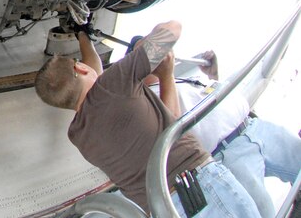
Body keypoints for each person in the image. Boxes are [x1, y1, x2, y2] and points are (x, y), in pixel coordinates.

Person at [34, 21, 261, 217]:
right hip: (201, 187)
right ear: (80, 68)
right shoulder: (115, 83)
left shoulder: (78, 135)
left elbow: (94, 82)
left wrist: (83, 35)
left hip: (165, 208)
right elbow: (172, 29)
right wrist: (165, 71)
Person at [147, 51, 301, 218]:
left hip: (252, 126)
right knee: (263, 213)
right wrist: (166, 74)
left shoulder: (179, 80)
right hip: (228, 152)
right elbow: (171, 127)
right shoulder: (149, 98)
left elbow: (207, 103)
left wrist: (212, 76)